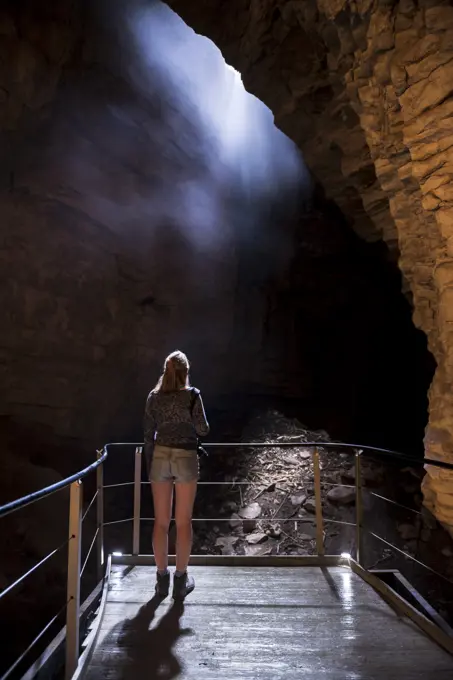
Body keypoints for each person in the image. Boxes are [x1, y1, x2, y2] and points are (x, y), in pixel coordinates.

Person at [144, 350, 209, 600]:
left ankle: (161, 579)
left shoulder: (153, 397)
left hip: (161, 457)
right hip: (185, 457)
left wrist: (152, 460)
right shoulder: (192, 396)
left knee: (161, 522)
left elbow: (148, 433)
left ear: (165, 371)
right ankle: (180, 581)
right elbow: (203, 429)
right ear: (185, 373)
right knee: (183, 522)